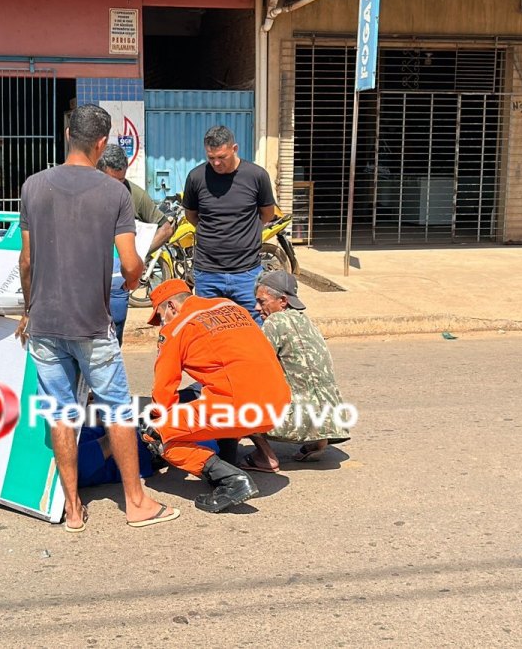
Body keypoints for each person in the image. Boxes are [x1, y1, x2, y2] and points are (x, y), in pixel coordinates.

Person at [16, 103, 178, 532]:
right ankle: (137, 503)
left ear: (67, 131)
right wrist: (133, 278)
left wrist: (28, 310)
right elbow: (129, 264)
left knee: (61, 413)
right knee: (119, 411)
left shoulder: (33, 186)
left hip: (45, 322)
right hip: (91, 323)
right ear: (102, 143)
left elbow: (27, 261)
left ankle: (72, 510)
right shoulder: (114, 194)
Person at [144, 278, 291, 513]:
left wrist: (158, 426)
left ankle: (232, 480)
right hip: (278, 403)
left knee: (162, 435)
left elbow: (164, 390)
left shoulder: (176, 328)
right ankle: (228, 459)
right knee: (216, 390)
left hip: (237, 407)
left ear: (172, 306)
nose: (161, 323)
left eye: (160, 315)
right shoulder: (230, 307)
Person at [240, 270, 347, 472]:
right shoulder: (306, 321)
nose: (256, 308)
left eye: (262, 301)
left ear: (282, 301)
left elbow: (255, 366)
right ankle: (318, 442)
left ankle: (265, 457)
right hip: (332, 417)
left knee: (238, 392)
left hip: (300, 418)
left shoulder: (275, 321)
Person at [182, 125, 277, 325]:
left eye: (222, 157)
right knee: (207, 331)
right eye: (211, 157)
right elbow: (192, 215)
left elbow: (267, 213)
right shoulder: (196, 177)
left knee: (254, 328)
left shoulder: (256, 176)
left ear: (234, 148)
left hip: (247, 272)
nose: (216, 163)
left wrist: (245, 233)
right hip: (208, 273)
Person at [96, 144, 174, 345]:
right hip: (85, 282)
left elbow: (166, 228)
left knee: (112, 346)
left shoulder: (134, 194)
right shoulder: (84, 193)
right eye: (112, 181)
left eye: (121, 180)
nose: (118, 187)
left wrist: (137, 254)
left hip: (116, 285)